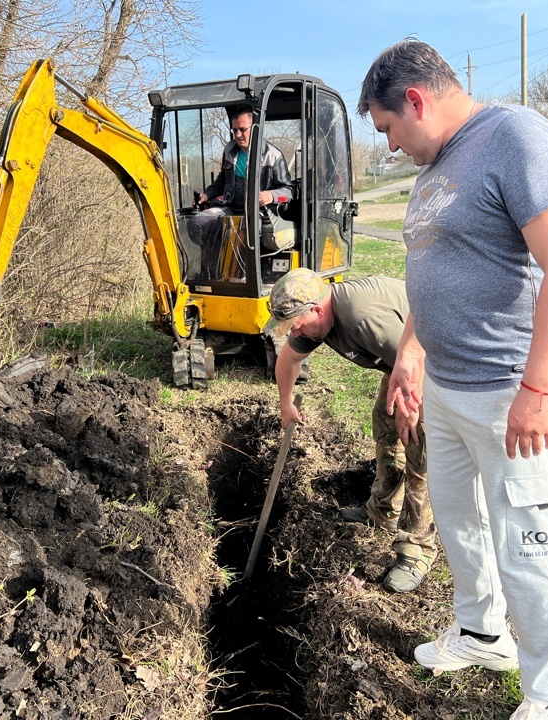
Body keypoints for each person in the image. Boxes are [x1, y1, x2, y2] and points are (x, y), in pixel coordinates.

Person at [358, 40, 548, 720]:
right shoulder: (436, 169)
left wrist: (541, 388)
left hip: (507, 389)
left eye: (387, 130)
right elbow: (430, 270)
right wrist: (410, 354)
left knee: (528, 536)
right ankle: (482, 631)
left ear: (415, 100)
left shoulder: (516, 138)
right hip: (448, 388)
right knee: (462, 525)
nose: (392, 147)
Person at [267, 268, 437, 593]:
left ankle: (416, 551)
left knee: (420, 455)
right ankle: (383, 512)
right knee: (386, 432)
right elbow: (288, 360)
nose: (296, 332)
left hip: (436, 363)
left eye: (297, 324)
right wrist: (286, 403)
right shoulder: (314, 321)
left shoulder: (362, 318)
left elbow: (422, 357)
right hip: (401, 362)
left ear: (316, 309)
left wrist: (410, 408)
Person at [186, 107, 293, 280]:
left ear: (255, 128)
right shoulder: (230, 150)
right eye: (234, 130)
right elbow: (222, 181)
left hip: (257, 213)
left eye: (243, 129)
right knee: (198, 223)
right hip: (230, 206)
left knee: (243, 227)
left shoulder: (273, 155)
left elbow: (288, 191)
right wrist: (207, 195)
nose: (238, 134)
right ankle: (211, 276)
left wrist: (271, 196)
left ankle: (239, 280)